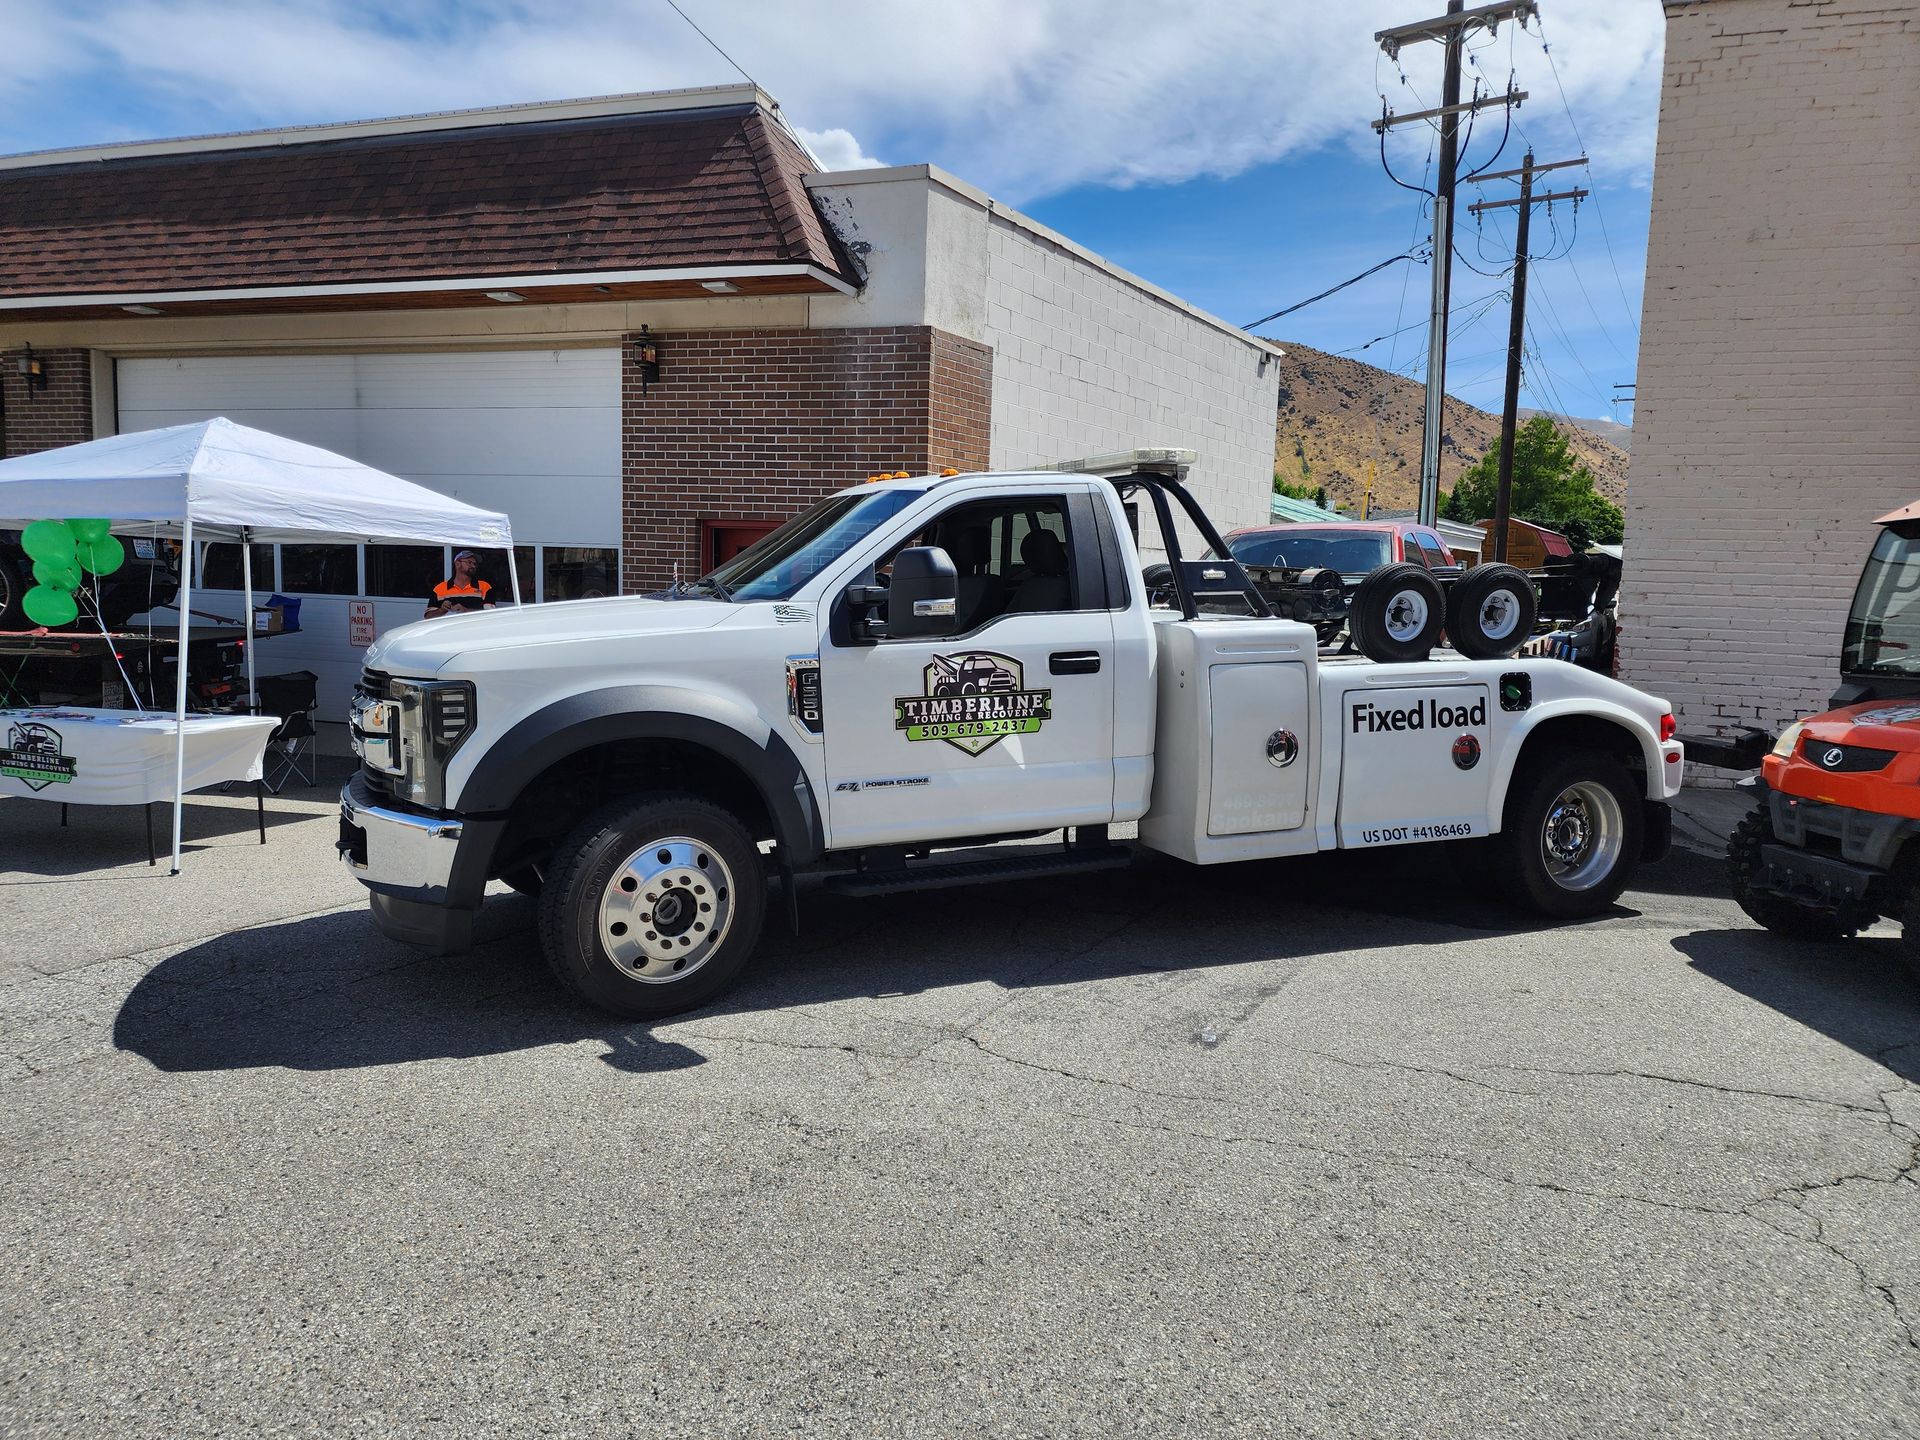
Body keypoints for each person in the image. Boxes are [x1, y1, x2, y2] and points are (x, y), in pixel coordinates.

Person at [424, 551, 496, 619]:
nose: (473, 566)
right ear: (457, 564)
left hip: (475, 627)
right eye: (469, 562)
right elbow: (428, 617)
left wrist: (465, 611)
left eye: (475, 564)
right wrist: (441, 610)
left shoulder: (484, 587)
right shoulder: (440, 589)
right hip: (450, 628)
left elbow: (491, 615)